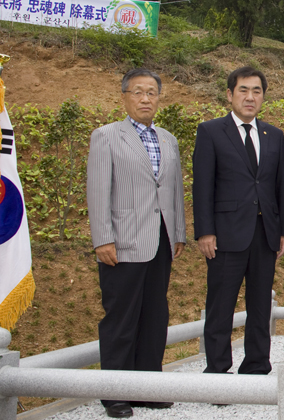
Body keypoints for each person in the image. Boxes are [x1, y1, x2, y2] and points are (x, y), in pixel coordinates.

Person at [87, 68, 186, 418]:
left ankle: (147, 386)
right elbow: (98, 190)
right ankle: (115, 392)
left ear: (159, 98)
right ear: (125, 96)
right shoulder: (107, 136)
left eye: (152, 93)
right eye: (138, 92)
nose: (146, 99)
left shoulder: (168, 138)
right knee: (121, 316)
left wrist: (178, 233)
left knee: (155, 315)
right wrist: (103, 238)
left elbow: (173, 190)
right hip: (123, 241)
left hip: (160, 239)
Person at [193, 66, 284, 377]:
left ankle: (257, 367)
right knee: (221, 306)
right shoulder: (210, 132)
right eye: (243, 90)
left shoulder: (273, 135)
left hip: (264, 235)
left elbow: (280, 186)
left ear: (263, 96)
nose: (250, 97)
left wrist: (283, 231)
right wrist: (205, 231)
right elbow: (203, 185)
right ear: (230, 95)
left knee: (260, 306)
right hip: (225, 235)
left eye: (256, 91)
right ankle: (218, 370)